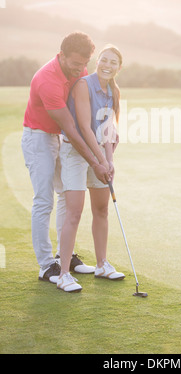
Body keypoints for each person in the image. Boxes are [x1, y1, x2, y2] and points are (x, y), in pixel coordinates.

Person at [22, 32, 111, 285]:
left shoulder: (80, 71)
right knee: (43, 200)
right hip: (38, 137)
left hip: (59, 136)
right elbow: (72, 127)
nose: (81, 69)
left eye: (84, 64)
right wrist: (96, 162)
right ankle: (46, 264)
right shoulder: (47, 80)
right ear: (61, 55)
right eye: (75, 64)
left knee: (64, 194)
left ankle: (65, 255)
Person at [57, 45, 124, 292]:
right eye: (104, 60)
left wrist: (110, 160)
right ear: (97, 61)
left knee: (101, 209)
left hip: (99, 154)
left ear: (119, 67)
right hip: (75, 152)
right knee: (74, 212)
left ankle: (102, 264)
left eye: (113, 62)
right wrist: (100, 162)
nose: (107, 65)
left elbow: (108, 130)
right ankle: (64, 274)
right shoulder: (84, 85)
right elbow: (84, 128)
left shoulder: (114, 90)